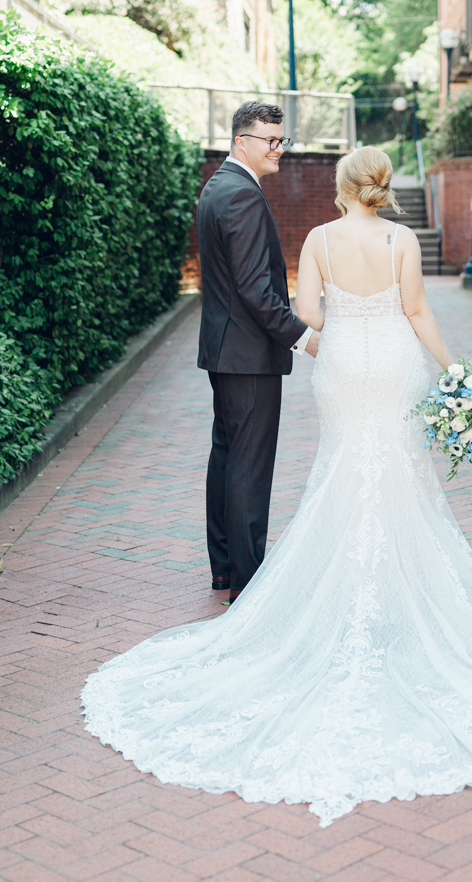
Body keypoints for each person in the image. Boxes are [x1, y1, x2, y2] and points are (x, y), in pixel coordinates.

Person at [82, 146, 472, 828]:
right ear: (382, 188)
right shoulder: (401, 239)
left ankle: (341, 597)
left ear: (341, 187)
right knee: (398, 479)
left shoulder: (316, 239)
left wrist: (340, 320)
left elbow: (307, 312)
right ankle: (400, 601)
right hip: (397, 365)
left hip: (341, 366)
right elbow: (417, 313)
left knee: (342, 472)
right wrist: (457, 371)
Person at [196, 102, 319, 604]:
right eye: (270, 141)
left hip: (227, 352)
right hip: (248, 355)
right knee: (248, 466)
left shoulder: (218, 187)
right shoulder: (242, 195)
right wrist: (304, 337)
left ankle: (226, 571)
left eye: (282, 140)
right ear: (241, 141)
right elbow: (254, 289)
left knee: (227, 459)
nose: (279, 150)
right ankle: (248, 583)